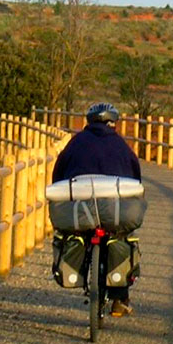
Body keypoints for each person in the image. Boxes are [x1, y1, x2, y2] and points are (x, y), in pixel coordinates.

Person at [51, 102, 142, 316]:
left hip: (81, 208)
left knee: (76, 233)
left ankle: (80, 270)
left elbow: (58, 174)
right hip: (113, 207)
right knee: (121, 236)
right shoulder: (121, 145)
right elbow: (135, 176)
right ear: (113, 123)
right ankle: (120, 300)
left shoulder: (75, 142)